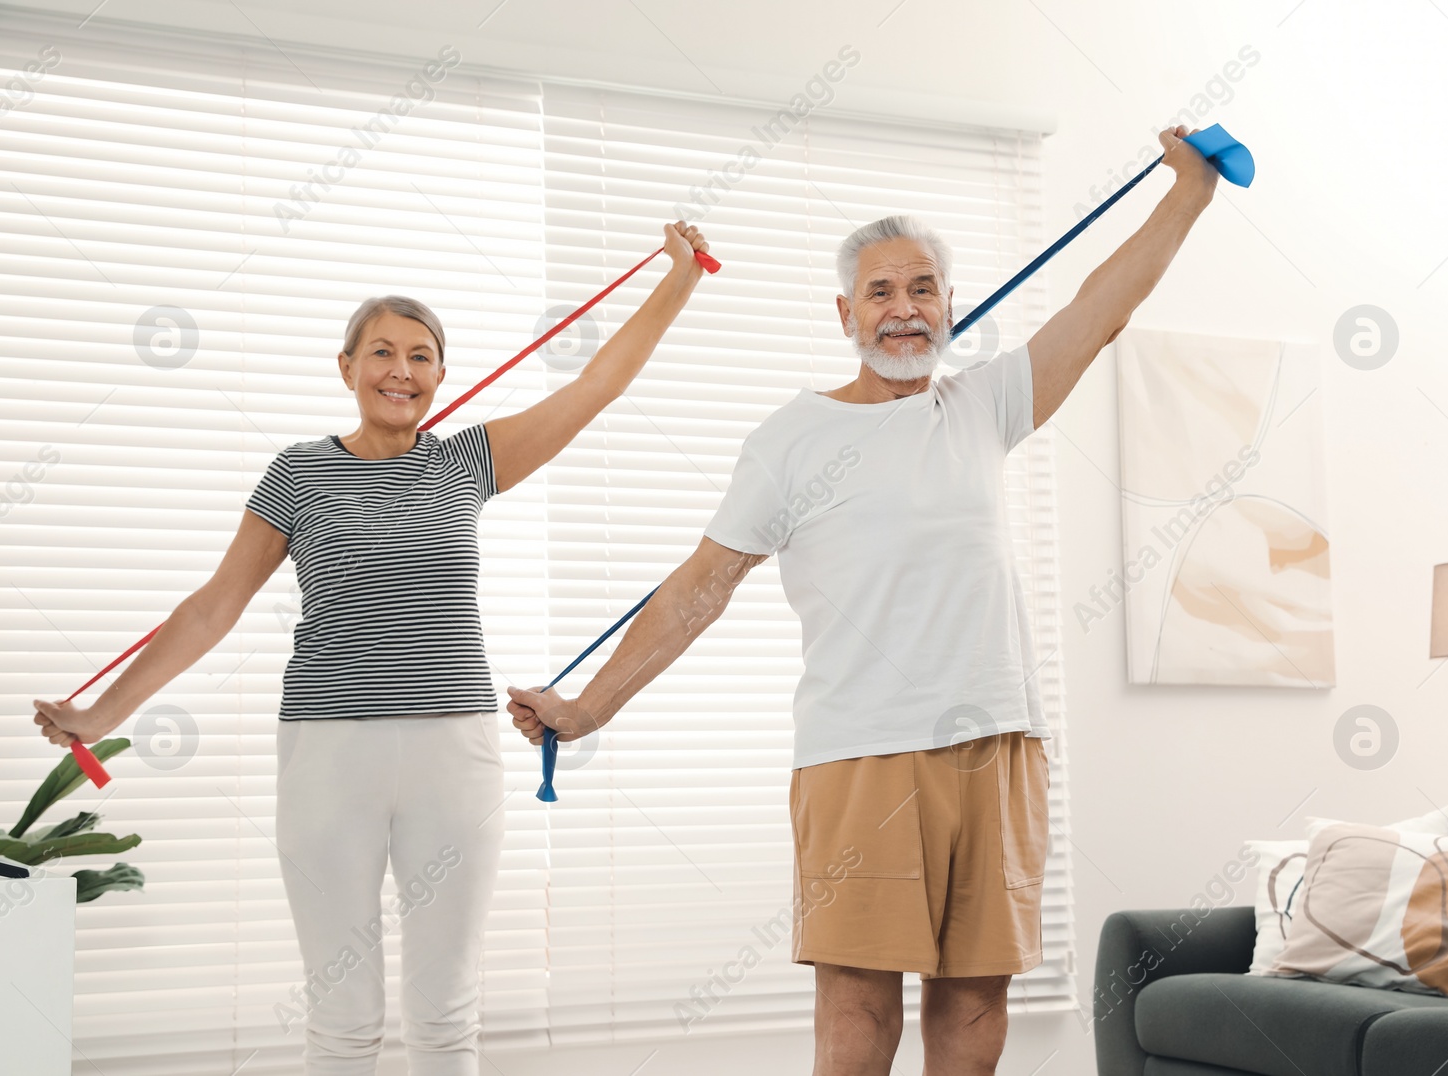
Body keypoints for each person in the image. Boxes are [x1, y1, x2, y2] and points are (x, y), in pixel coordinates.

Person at [505, 127, 1218, 1075]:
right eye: (880, 292)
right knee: (858, 1010)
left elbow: (1101, 308)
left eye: (923, 288)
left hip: (999, 740)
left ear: (950, 306)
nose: (903, 309)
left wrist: (1188, 192)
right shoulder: (791, 439)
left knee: (974, 1003)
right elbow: (698, 589)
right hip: (861, 750)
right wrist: (588, 707)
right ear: (845, 311)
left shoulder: (982, 406)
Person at [31, 221, 712, 1076]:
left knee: (447, 1015)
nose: (402, 370)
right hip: (328, 750)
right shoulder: (298, 473)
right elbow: (213, 608)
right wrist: (101, 713)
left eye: (421, 355)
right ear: (347, 366)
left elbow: (598, 387)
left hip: (451, 750)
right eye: (382, 352)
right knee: (342, 1015)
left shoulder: (467, 461)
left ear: (438, 375)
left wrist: (679, 277)